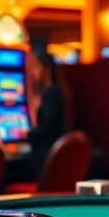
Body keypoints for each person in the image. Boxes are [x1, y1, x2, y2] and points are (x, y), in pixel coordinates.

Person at [26, 51, 69, 180]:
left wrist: (26, 134)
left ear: (46, 68)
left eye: (36, 66)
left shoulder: (52, 94)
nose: (32, 72)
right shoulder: (56, 91)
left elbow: (47, 128)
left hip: (47, 156)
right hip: (52, 154)